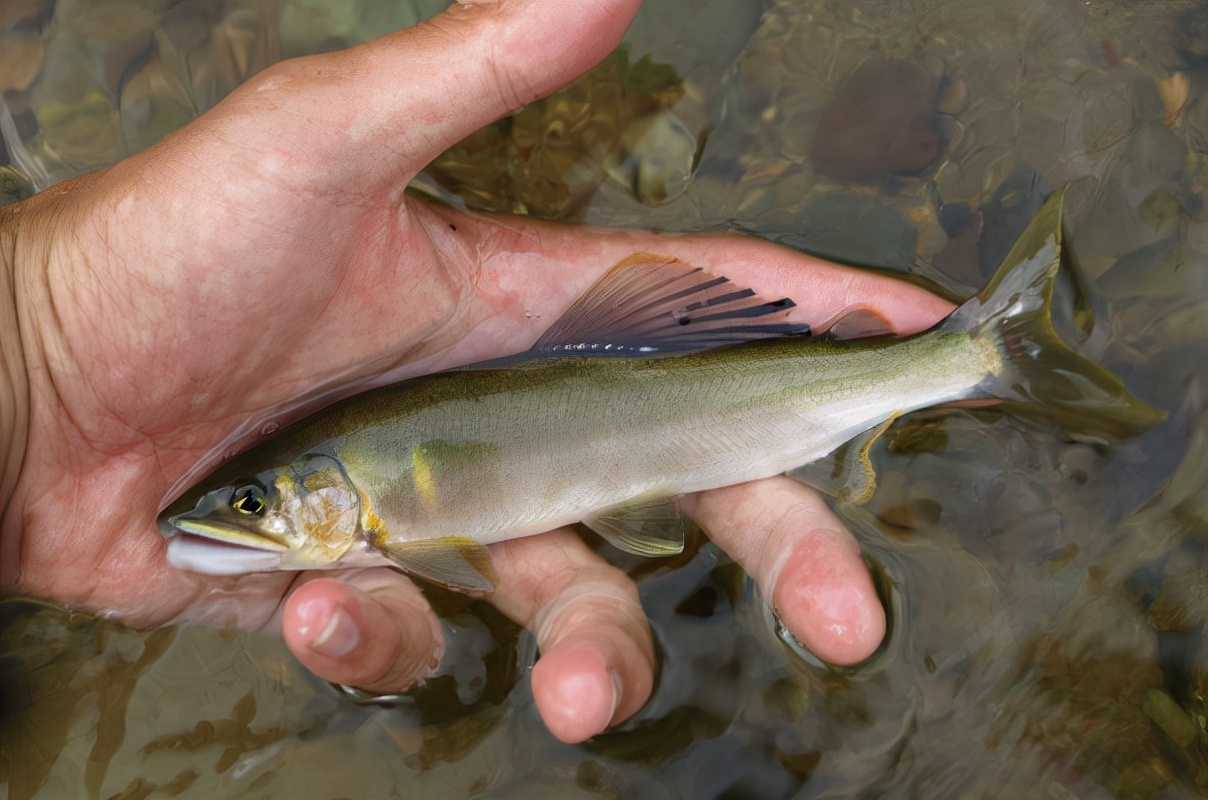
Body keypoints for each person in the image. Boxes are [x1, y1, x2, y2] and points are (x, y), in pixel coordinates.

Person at [0, 0, 951, 744]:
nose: (240, 518)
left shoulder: (385, 514)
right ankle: (967, 362)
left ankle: (967, 360)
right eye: (253, 506)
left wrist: (36, 343)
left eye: (256, 504)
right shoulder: (366, 503)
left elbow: (450, 556)